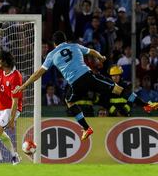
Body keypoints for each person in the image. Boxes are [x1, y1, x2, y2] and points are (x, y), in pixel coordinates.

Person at [14, 31, 158, 141]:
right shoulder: (75, 46)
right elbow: (92, 52)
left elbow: (38, 73)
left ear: (54, 43)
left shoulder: (51, 54)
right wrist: (101, 57)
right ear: (65, 40)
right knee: (117, 89)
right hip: (89, 76)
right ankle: (145, 105)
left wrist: (24, 85)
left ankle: (86, 128)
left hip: (75, 83)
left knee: (69, 101)